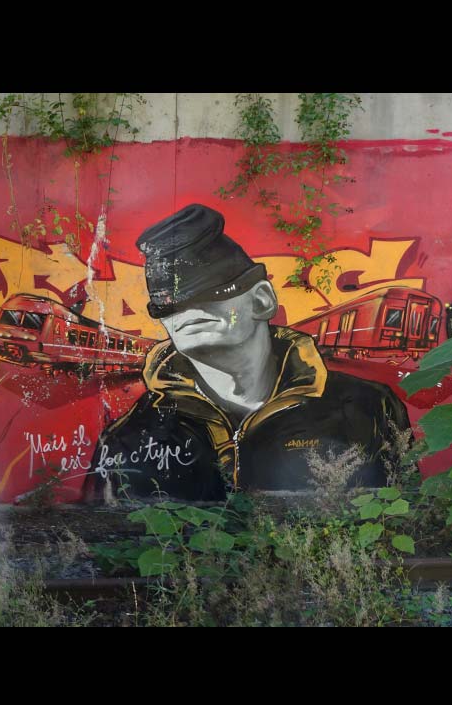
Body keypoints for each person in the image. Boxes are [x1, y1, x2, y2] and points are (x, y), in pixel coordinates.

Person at [95, 204, 411, 502]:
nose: (185, 310)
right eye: (165, 305)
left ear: (261, 301)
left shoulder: (368, 410)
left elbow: (403, 515)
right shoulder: (128, 438)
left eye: (207, 291)